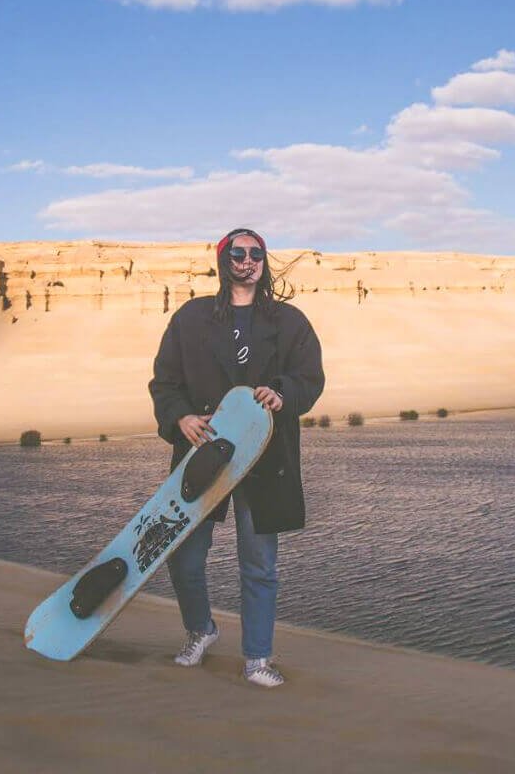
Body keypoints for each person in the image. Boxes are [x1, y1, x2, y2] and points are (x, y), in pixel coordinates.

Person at [148, 227, 325, 687]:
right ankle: (200, 630)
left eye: (256, 253)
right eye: (237, 252)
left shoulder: (289, 322)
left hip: (266, 458)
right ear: (223, 260)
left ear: (263, 261)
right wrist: (180, 417)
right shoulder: (191, 318)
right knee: (183, 556)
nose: (247, 261)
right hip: (203, 452)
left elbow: (310, 378)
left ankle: (257, 659)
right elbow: (164, 383)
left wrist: (284, 392)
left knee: (259, 564)